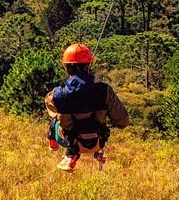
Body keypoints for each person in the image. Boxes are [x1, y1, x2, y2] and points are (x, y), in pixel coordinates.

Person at [45, 43, 129, 171]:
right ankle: (96, 152)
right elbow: (123, 121)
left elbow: (51, 108)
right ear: (88, 66)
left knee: (54, 119)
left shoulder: (57, 95)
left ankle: (63, 150)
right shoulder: (104, 91)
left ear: (67, 67)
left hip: (69, 141)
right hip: (97, 141)